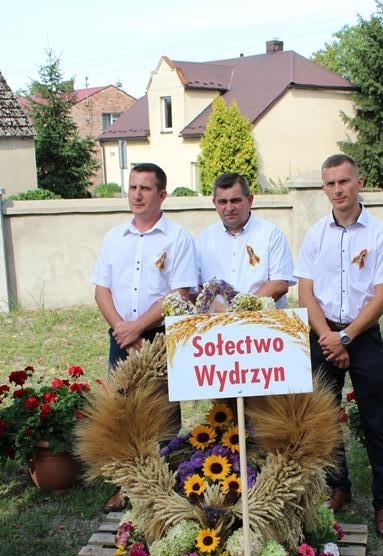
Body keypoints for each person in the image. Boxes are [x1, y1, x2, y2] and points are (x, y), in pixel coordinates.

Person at [294, 154, 383, 539]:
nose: (338, 189)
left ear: (359, 182)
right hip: (322, 333)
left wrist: (346, 337)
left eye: (344, 181)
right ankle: (338, 485)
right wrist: (328, 335)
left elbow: (382, 296)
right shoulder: (315, 235)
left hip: (363, 335)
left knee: (376, 419)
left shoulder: (379, 234)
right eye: (331, 183)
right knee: (323, 417)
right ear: (324, 188)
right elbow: (305, 292)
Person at [90, 162, 197, 510]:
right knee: (122, 413)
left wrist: (139, 328)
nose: (137, 195)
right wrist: (123, 329)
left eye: (145, 188)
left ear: (162, 195)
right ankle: (126, 487)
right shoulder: (114, 237)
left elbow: (181, 292)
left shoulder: (177, 238)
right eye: (133, 187)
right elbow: (102, 290)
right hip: (121, 336)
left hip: (160, 337)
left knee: (163, 414)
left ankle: (164, 488)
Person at [195, 172, 294, 306]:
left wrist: (241, 310)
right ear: (214, 203)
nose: (229, 208)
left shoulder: (272, 234)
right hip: (217, 318)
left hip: (264, 318)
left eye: (235, 200)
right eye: (222, 202)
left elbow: (280, 284)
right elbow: (196, 288)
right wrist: (221, 312)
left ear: (250, 200)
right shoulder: (203, 240)